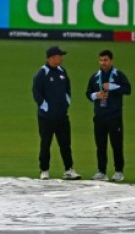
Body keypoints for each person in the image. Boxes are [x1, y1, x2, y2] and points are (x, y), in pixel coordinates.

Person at [32, 46, 81, 181]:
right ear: (52, 57)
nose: (62, 58)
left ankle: (69, 169)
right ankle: (44, 170)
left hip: (61, 116)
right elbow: (36, 93)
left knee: (65, 143)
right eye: (60, 56)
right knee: (46, 143)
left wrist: (66, 103)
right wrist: (46, 107)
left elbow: (67, 89)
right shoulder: (42, 73)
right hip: (46, 118)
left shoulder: (62, 72)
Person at [87, 49, 132, 182]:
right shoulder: (95, 77)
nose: (103, 63)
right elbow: (88, 93)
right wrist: (96, 95)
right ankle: (101, 171)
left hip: (114, 116)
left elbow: (128, 90)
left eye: (106, 60)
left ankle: (119, 171)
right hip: (99, 116)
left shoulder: (118, 75)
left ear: (111, 61)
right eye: (101, 60)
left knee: (116, 144)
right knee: (100, 145)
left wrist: (112, 87)